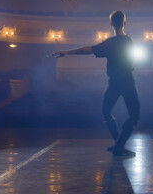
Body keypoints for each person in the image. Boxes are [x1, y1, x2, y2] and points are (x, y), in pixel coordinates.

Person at [53, 11, 140, 157]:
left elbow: (86, 50)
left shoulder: (110, 43)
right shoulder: (130, 41)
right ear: (125, 23)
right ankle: (119, 145)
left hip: (114, 82)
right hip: (128, 81)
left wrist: (66, 52)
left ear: (111, 23)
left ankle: (118, 145)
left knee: (106, 113)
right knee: (134, 116)